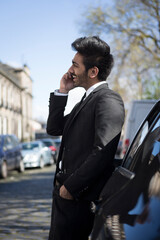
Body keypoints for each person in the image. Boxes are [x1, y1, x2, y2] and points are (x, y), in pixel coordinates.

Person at [46, 36, 125, 240]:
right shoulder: (86, 100)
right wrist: (63, 92)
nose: (70, 70)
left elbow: (103, 152)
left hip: (79, 201)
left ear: (93, 72)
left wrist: (69, 189)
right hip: (66, 200)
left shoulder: (108, 100)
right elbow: (54, 128)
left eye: (75, 64)